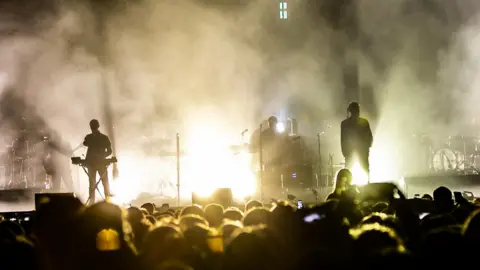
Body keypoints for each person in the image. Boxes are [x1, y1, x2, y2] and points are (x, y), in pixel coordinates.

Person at [83, 119, 112, 204]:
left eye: (93, 126)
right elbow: (85, 143)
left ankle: (107, 202)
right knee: (97, 183)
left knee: (103, 182)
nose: (93, 128)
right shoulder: (92, 137)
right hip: (94, 163)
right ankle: (93, 202)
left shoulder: (103, 138)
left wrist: (101, 156)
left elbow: (109, 151)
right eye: (92, 127)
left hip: (99, 163)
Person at [341, 102, 373, 177]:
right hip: (360, 151)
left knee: (348, 171)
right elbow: (369, 137)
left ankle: (348, 186)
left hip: (351, 152)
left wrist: (345, 152)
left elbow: (343, 139)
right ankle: (366, 184)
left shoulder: (345, 123)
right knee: (364, 169)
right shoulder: (364, 122)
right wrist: (367, 147)